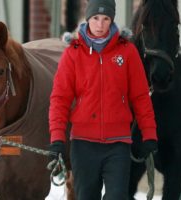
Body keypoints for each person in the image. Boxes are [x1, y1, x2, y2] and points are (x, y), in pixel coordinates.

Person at [47, 0, 158, 199]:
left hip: (118, 144)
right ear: (88, 18)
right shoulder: (73, 53)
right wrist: (57, 139)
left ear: (112, 20)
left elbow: (140, 96)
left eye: (106, 18)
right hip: (83, 146)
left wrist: (149, 133)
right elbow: (59, 99)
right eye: (96, 18)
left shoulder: (127, 51)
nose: (100, 24)